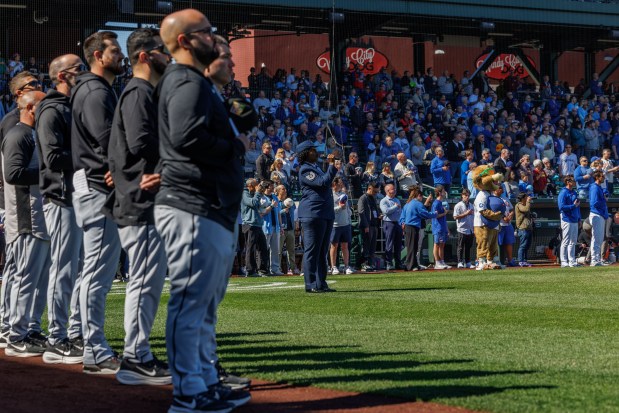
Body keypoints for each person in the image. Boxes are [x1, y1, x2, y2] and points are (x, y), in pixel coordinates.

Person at [156, 9, 251, 411]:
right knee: (190, 302)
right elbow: (186, 137)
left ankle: (203, 380)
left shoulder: (195, 82)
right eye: (207, 33)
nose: (214, 39)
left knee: (201, 304)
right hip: (193, 201)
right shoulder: (186, 81)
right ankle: (188, 392)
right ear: (184, 41)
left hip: (205, 202)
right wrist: (232, 148)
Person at [103, 28, 171, 384]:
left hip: (142, 199)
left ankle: (137, 354)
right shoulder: (138, 92)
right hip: (141, 201)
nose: (168, 56)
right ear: (145, 55)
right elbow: (142, 142)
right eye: (162, 51)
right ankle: (135, 357)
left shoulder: (142, 92)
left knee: (146, 282)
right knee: (144, 282)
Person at [70, 31, 124, 374]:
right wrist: (115, 169)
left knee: (94, 269)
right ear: (97, 55)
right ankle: (93, 349)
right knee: (96, 270)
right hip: (97, 186)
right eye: (114, 51)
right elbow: (107, 139)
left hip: (93, 184)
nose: (120, 55)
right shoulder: (93, 90)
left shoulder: (96, 88)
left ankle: (82, 338)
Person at [34, 54, 85, 364]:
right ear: (63, 75)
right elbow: (52, 159)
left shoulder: (70, 107)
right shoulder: (51, 109)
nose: (85, 73)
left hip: (76, 196)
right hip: (61, 196)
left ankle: (74, 334)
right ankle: (56, 337)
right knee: (64, 269)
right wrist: (90, 157)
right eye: (79, 68)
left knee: (78, 269)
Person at [2, 90, 50, 357]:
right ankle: (16, 334)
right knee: (26, 277)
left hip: (39, 215)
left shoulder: (31, 134)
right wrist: (49, 173)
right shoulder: (18, 134)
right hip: (26, 216)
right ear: (31, 108)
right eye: (43, 105)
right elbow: (13, 173)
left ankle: (31, 328)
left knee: (40, 278)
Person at [297, 139, 340, 293]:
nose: (316, 152)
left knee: (322, 250)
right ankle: (311, 283)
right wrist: (330, 166)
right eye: (312, 150)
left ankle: (321, 282)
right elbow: (322, 183)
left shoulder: (315, 168)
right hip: (312, 213)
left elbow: (326, 181)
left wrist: (333, 168)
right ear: (306, 153)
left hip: (324, 212)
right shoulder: (305, 169)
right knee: (312, 250)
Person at [400, 187, 438, 271]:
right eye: (421, 196)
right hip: (413, 227)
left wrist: (402, 223)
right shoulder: (417, 204)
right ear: (419, 196)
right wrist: (435, 214)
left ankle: (413, 264)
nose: (422, 198)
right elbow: (425, 214)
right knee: (413, 247)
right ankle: (410, 265)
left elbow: (402, 217)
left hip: (407, 227)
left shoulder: (407, 204)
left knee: (411, 247)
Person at [241, 179, 270, 277]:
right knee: (251, 248)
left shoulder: (255, 193)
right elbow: (252, 203)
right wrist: (258, 192)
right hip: (249, 224)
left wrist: (260, 192)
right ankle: (250, 270)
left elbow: (260, 205)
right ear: (250, 185)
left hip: (257, 224)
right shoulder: (244, 193)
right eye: (255, 184)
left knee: (263, 248)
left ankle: (262, 270)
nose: (258, 186)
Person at [330, 177, 354, 275]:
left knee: (345, 245)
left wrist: (349, 215)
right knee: (334, 246)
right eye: (339, 183)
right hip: (335, 224)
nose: (341, 185)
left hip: (345, 224)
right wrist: (339, 207)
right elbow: (330, 210)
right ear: (334, 184)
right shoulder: (330, 195)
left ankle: (346, 266)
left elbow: (347, 208)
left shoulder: (343, 195)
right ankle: (333, 266)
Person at [558, 175, 581, 268]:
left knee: (573, 241)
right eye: (573, 181)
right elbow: (561, 207)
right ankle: (564, 261)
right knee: (566, 241)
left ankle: (572, 261)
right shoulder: (563, 193)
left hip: (575, 220)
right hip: (566, 219)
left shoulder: (574, 192)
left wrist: (579, 219)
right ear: (568, 182)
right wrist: (573, 206)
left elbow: (578, 206)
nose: (575, 182)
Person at [261, 180, 283, 276]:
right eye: (271, 186)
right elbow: (262, 213)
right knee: (264, 249)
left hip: (276, 226)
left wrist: (281, 226)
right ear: (267, 187)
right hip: (265, 227)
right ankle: (264, 269)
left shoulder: (275, 197)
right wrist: (271, 205)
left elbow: (278, 213)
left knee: (275, 249)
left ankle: (275, 269)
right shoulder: (261, 198)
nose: (273, 187)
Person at [276, 185, 300, 275]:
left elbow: (295, 214)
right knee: (279, 250)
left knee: (291, 250)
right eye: (283, 189)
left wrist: (296, 223)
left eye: (285, 189)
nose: (285, 190)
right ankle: (277, 268)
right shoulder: (276, 201)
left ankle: (292, 268)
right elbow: (275, 213)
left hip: (290, 229)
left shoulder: (290, 201)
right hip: (281, 229)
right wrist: (283, 211)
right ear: (278, 191)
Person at [358, 182, 381, 271]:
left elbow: (375, 210)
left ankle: (370, 263)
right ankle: (364, 264)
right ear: (369, 188)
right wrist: (365, 225)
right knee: (366, 246)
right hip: (367, 226)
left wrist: (379, 216)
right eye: (375, 191)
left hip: (374, 225)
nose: (376, 193)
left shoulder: (373, 198)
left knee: (372, 246)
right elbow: (361, 212)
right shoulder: (363, 198)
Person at [380, 183, 403, 271]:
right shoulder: (384, 201)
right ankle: (388, 263)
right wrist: (395, 206)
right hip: (389, 223)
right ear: (387, 191)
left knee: (398, 245)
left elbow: (400, 211)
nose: (395, 190)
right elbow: (386, 211)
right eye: (393, 189)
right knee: (389, 244)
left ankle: (398, 263)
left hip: (397, 223)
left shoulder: (397, 199)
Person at [589, 170, 609, 267]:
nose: (603, 177)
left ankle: (597, 259)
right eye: (602, 176)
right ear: (597, 177)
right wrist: (603, 200)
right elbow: (593, 203)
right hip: (596, 214)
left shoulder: (599, 187)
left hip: (600, 214)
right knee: (596, 238)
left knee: (599, 239)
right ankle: (594, 259)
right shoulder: (594, 187)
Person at [453, 188, 474, 269]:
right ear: (462, 195)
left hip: (470, 229)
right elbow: (455, 217)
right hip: (461, 229)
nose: (467, 197)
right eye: (465, 195)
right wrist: (466, 214)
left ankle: (468, 262)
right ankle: (460, 261)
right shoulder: (458, 205)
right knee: (460, 247)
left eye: (468, 195)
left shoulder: (471, 205)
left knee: (468, 247)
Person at [431, 185, 451, 269]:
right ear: (439, 192)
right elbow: (435, 215)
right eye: (443, 191)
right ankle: (437, 262)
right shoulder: (436, 203)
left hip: (442, 227)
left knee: (442, 244)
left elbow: (443, 218)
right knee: (437, 244)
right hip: (437, 227)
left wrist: (447, 228)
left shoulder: (441, 203)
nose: (444, 192)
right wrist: (444, 213)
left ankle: (442, 261)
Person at [496, 184, 516, 267]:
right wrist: (504, 217)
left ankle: (510, 260)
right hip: (499, 224)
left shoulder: (505, 198)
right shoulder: (493, 199)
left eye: (502, 188)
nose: (502, 189)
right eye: (500, 188)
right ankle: (498, 260)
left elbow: (511, 209)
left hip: (508, 224)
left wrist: (511, 215)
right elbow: (495, 210)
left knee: (509, 242)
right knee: (498, 243)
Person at [515, 192, 533, 267]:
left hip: (528, 228)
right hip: (523, 228)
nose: (527, 198)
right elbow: (525, 209)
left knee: (527, 245)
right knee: (523, 245)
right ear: (522, 198)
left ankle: (525, 260)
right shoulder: (519, 205)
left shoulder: (525, 205)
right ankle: (521, 261)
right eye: (526, 197)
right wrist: (528, 201)